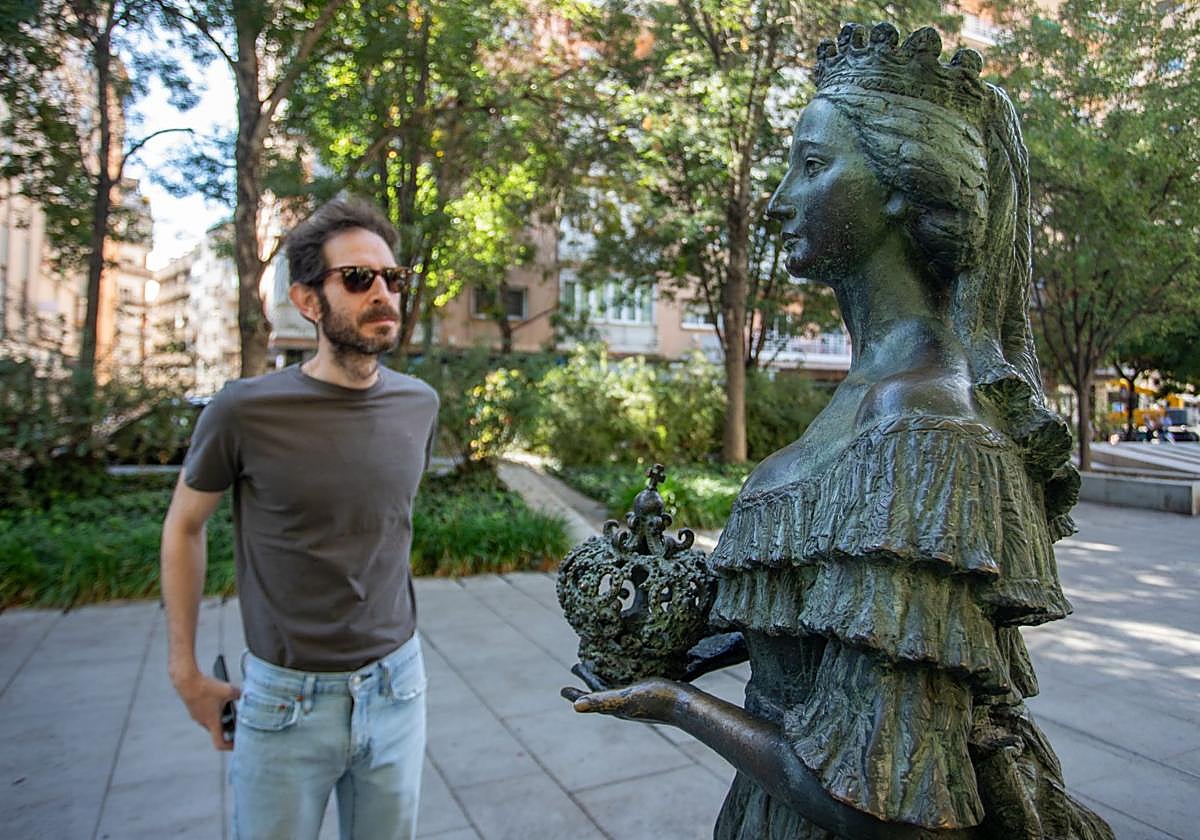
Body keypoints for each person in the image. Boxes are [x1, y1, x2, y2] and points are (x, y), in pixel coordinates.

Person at [564, 24, 1113, 840]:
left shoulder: (922, 427)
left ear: (903, 186)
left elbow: (893, 815)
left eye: (812, 166)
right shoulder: (867, 396)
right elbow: (837, 630)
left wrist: (676, 704)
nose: (780, 197)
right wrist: (709, 643)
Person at [161, 196, 438, 840]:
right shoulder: (243, 412)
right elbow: (184, 526)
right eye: (359, 279)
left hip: (398, 689)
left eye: (392, 279)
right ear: (309, 301)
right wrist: (185, 671)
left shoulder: (418, 405)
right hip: (285, 703)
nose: (384, 294)